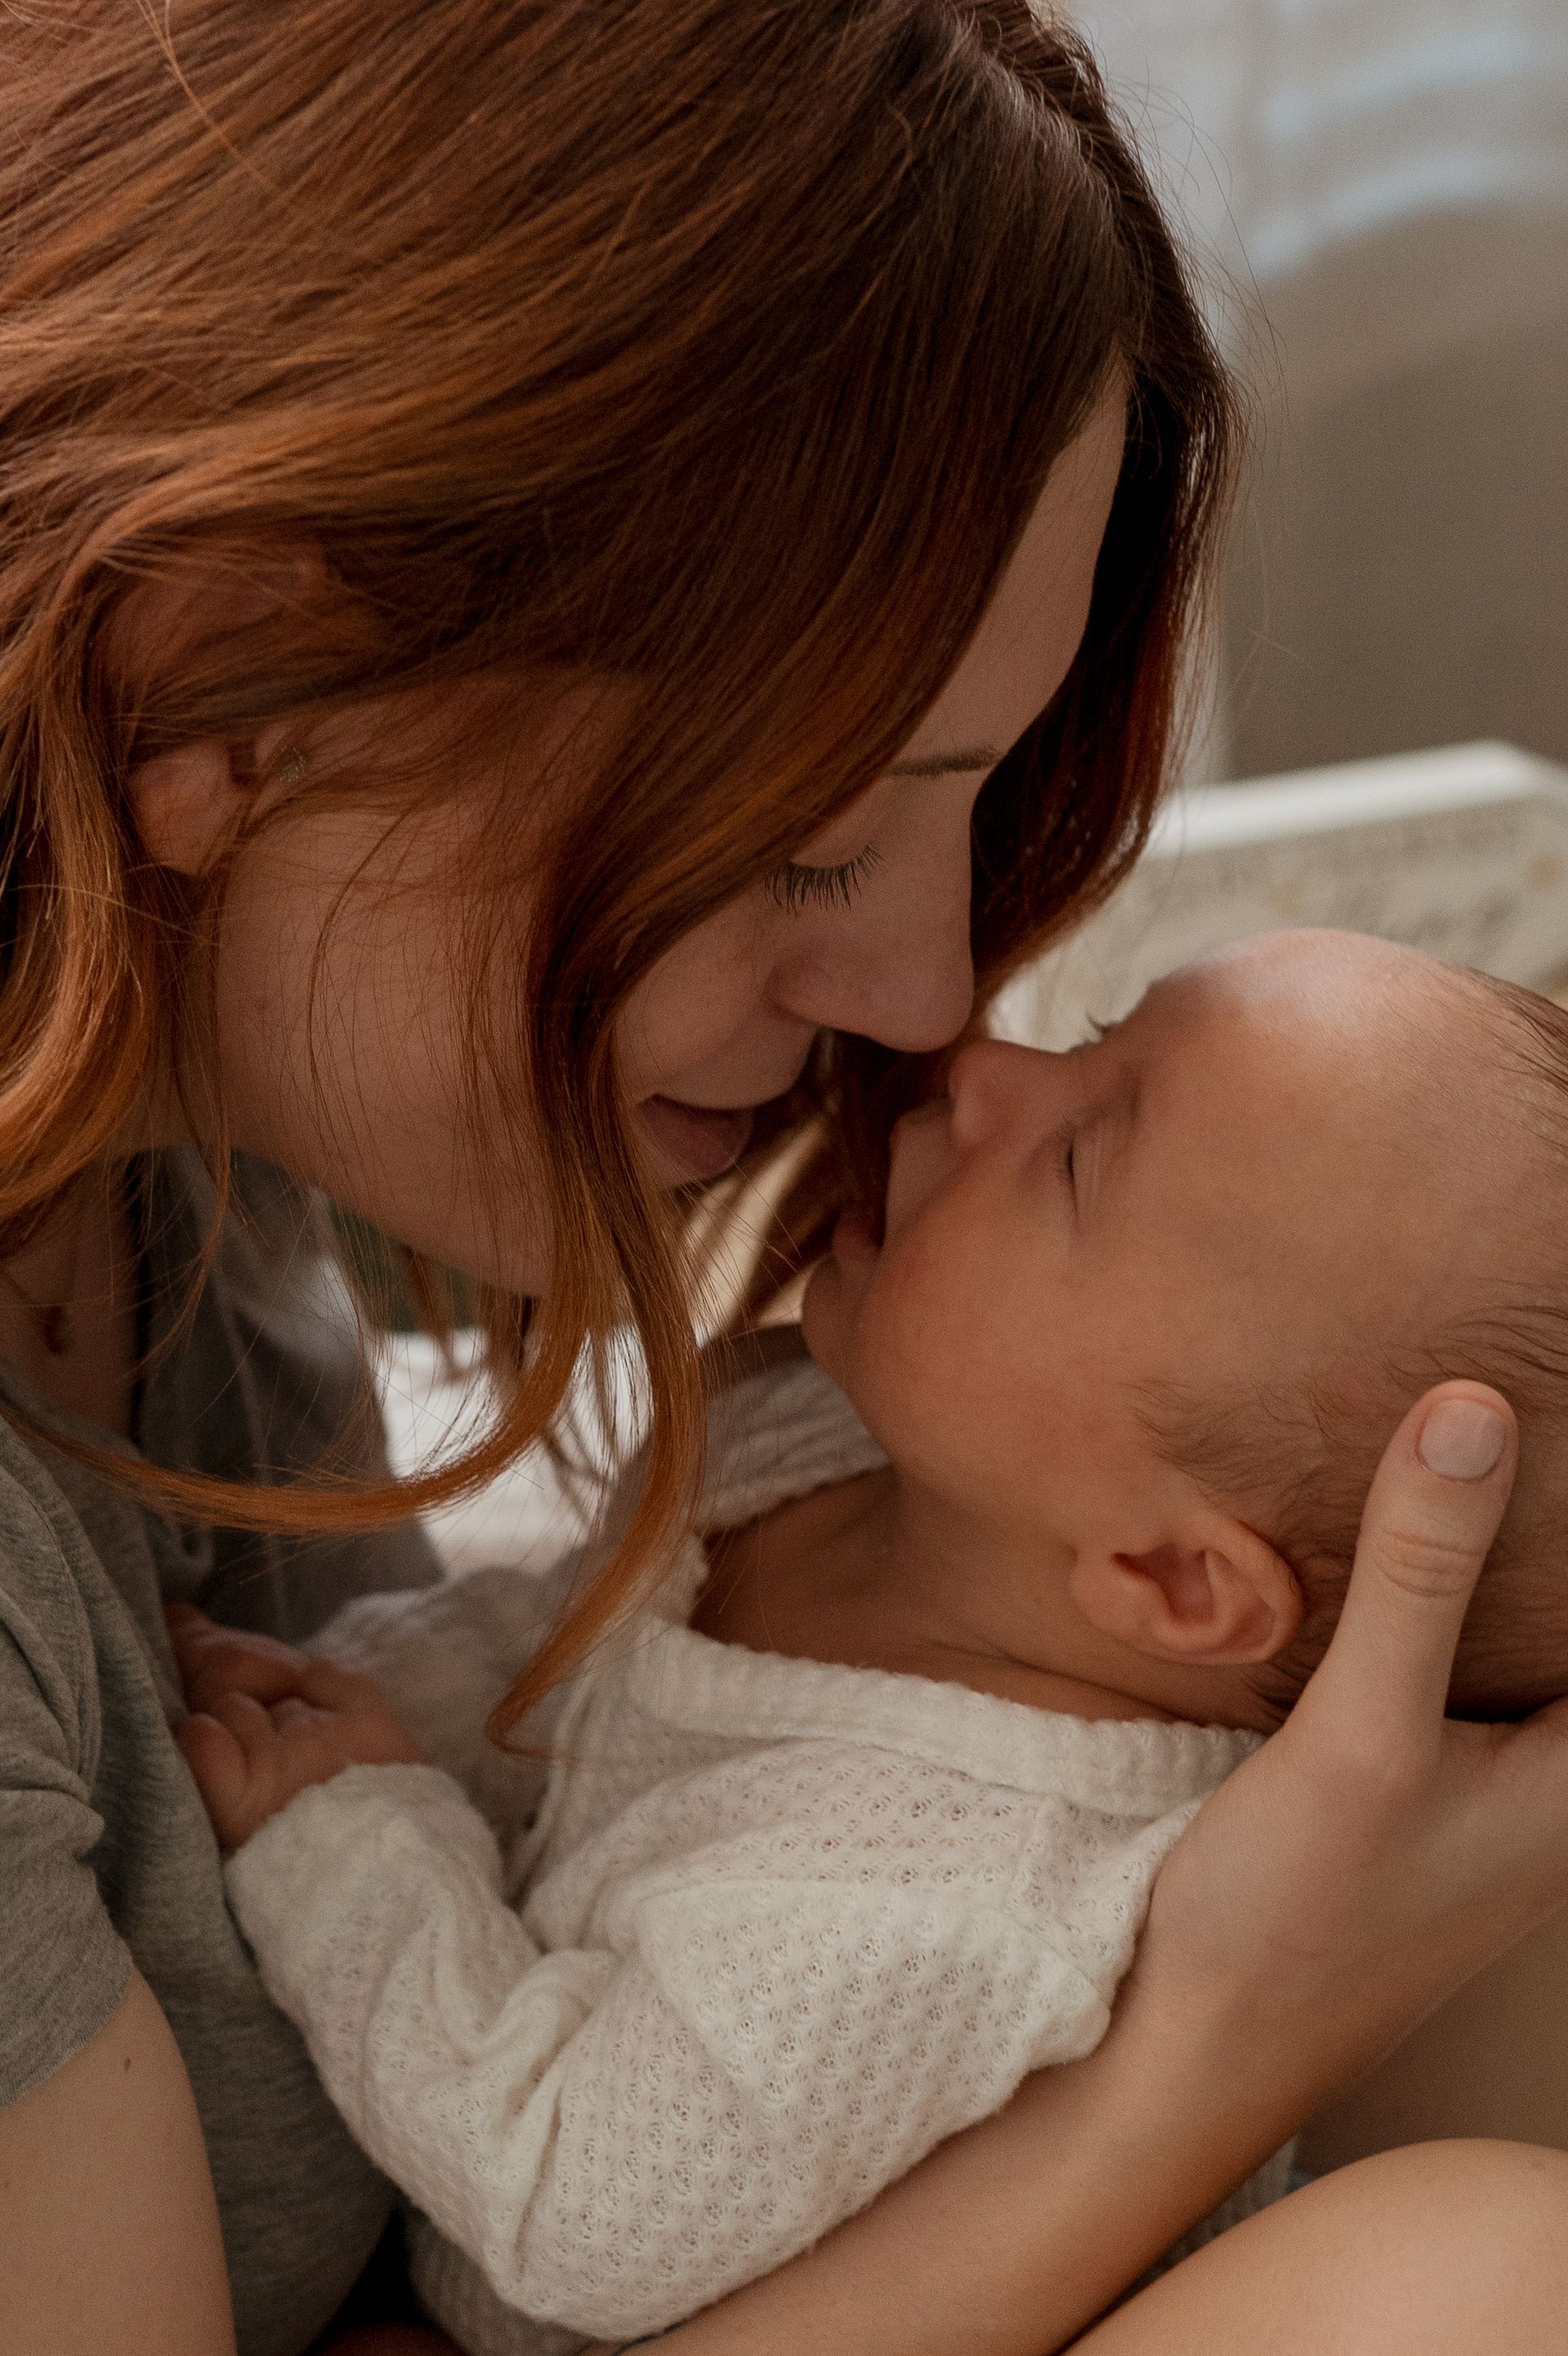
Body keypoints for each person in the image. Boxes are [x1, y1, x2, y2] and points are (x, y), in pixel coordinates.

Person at [3, 6, 1568, 2355]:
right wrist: (1215, 2040)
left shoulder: (180, 1190)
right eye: (821, 825)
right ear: (232, 683)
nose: (939, 998)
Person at [167, 927, 1568, 2354]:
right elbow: (560, 1659)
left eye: (1078, 1158)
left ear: (1168, 1575)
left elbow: (562, 2197)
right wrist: (346, 1683)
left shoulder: (947, 1906)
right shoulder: (827, 1446)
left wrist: (348, 1830)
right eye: (1088, 1037)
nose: (984, 1071)